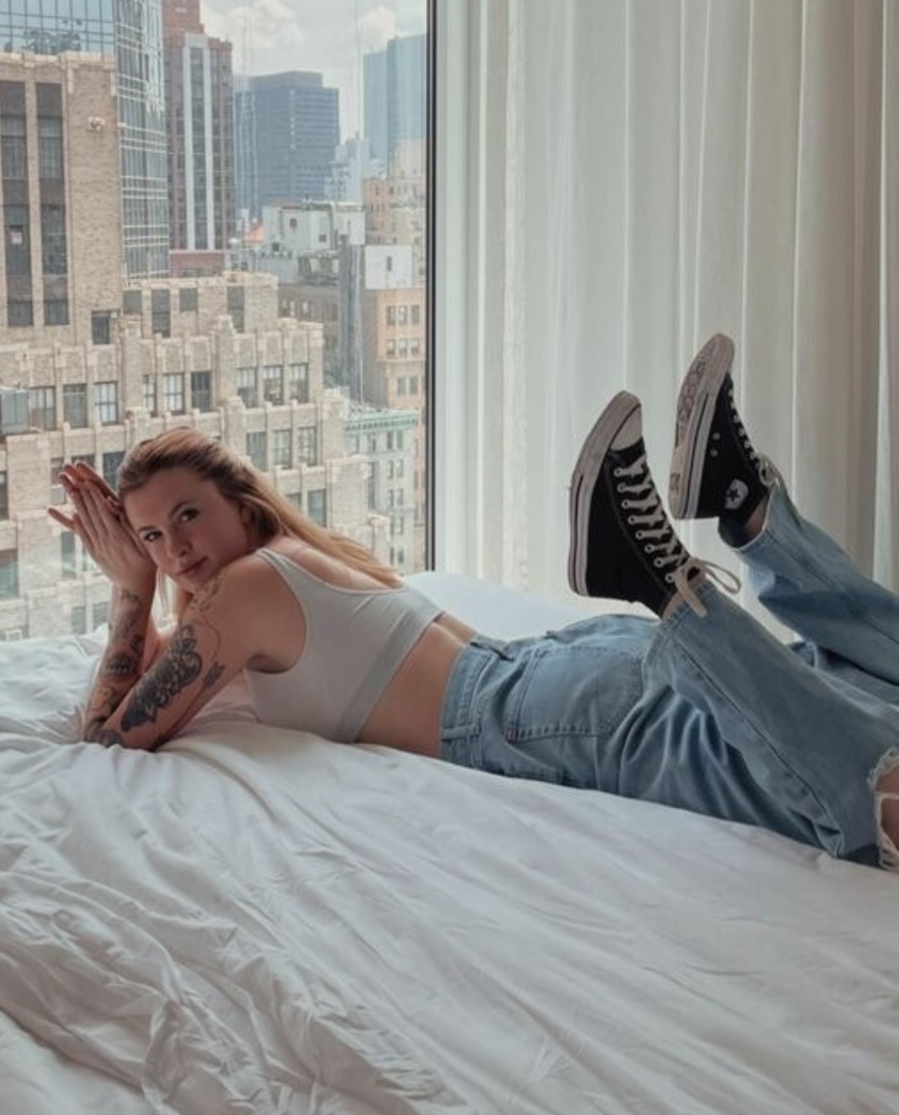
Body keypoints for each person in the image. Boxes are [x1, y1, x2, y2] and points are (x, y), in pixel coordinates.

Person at [49, 334, 899, 871]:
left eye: (186, 516)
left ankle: (670, 578)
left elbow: (110, 736)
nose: (174, 549)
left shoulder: (242, 593)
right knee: (857, 708)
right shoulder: (281, 568)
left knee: (863, 794)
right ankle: (748, 510)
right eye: (150, 536)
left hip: (528, 707)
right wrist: (144, 590)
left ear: (240, 505)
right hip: (551, 677)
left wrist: (131, 589)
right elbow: (147, 685)